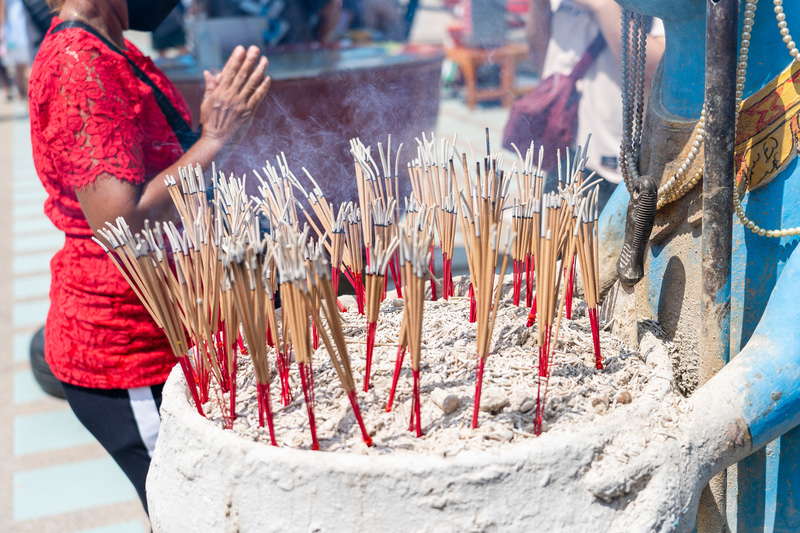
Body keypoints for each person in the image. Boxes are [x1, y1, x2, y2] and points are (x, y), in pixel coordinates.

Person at [28, 0, 270, 515]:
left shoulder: (108, 46)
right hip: (127, 350)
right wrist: (216, 138)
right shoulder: (78, 64)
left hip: (164, 326)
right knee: (188, 509)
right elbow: (122, 220)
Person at [526, 0, 665, 212]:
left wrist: (603, 6)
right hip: (563, 149)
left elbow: (660, 75)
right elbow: (541, 59)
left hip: (623, 166)